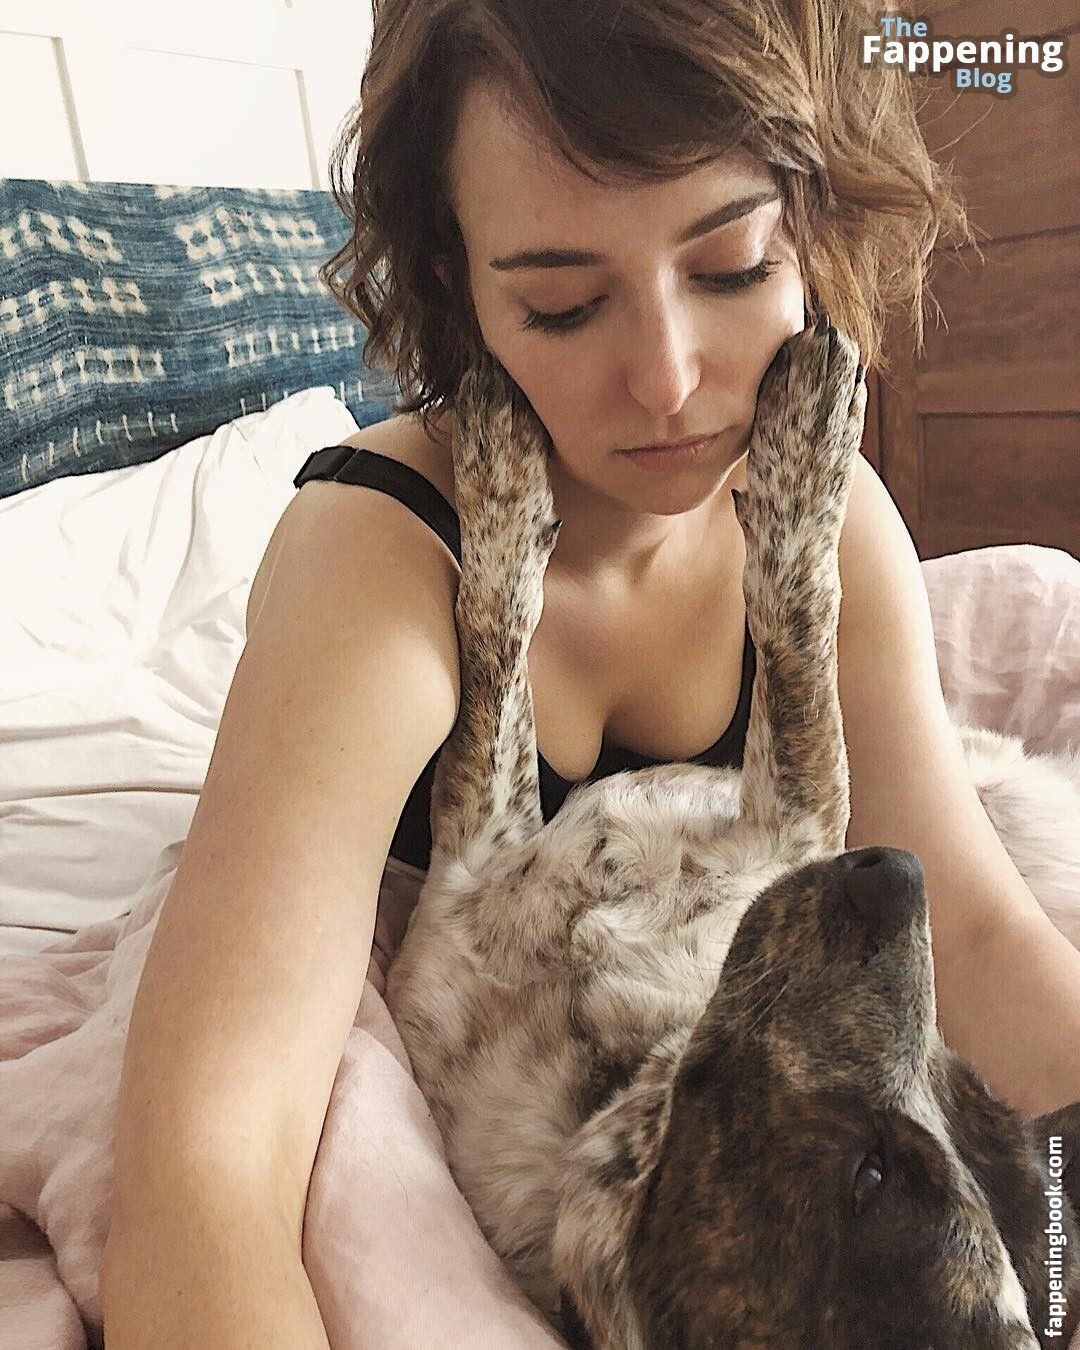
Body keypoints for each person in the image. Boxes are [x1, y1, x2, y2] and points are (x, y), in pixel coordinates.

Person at [100, 1, 1080, 1345]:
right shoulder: (378, 562)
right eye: (561, 304)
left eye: (732, 267)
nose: (668, 381)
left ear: (812, 229)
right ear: (456, 282)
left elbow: (969, 932)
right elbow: (209, 1166)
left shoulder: (829, 518)